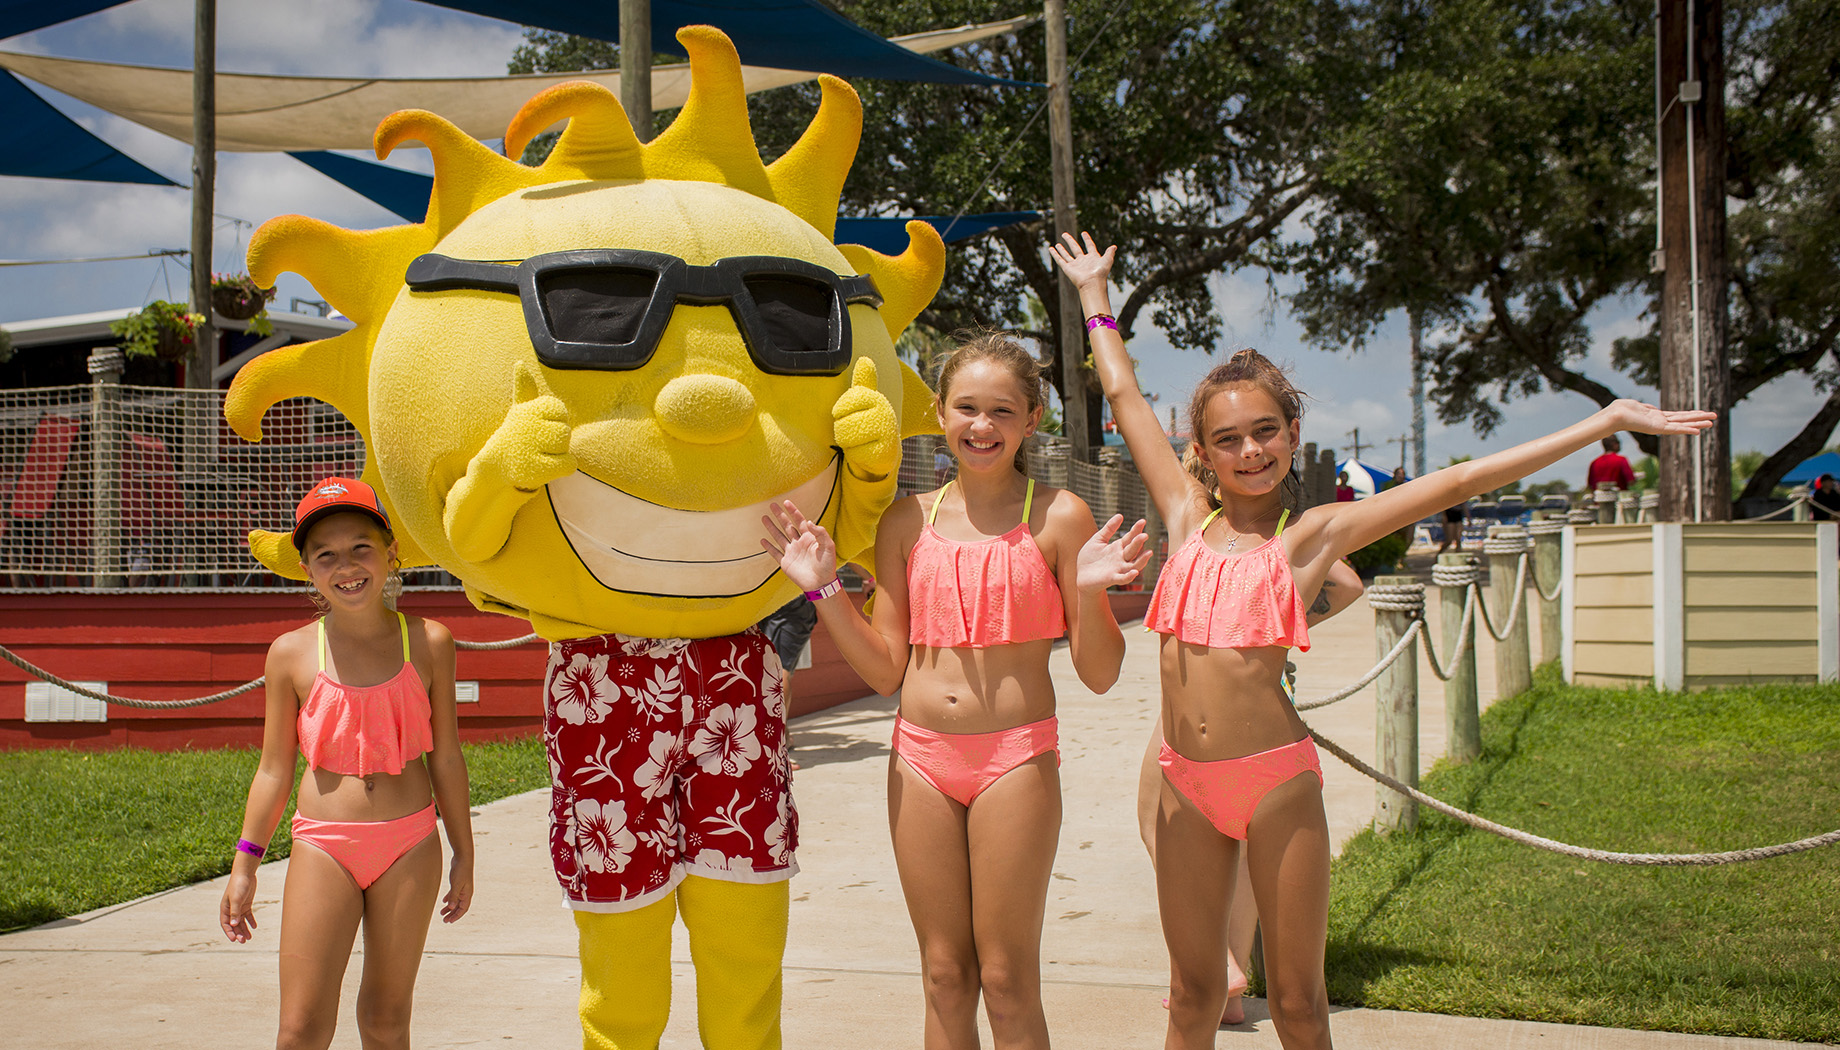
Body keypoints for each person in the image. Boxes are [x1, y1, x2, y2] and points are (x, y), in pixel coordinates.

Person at [1052, 231, 1713, 1050]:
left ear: (1293, 433)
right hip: (1184, 786)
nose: (1249, 451)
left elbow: (1465, 480)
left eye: (1266, 431)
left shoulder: (1316, 536)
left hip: (1275, 785)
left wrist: (1603, 421)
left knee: (1297, 1003)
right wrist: (1094, 298)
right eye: (1228, 439)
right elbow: (1121, 395)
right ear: (1203, 452)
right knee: (1190, 997)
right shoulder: (1185, 517)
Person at [762, 331, 1149, 1049]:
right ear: (939, 412)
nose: (982, 425)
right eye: (967, 408)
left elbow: (1099, 674)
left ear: (1033, 419)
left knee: (1005, 979)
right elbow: (884, 672)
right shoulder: (906, 523)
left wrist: (1091, 596)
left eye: (1002, 411)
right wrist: (823, 591)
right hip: (920, 760)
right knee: (944, 974)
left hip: (1015, 759)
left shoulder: (1060, 516)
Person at [221, 477, 473, 1049]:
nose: (347, 565)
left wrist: (464, 852)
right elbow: (272, 770)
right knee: (301, 1027)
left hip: (410, 843)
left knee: (386, 1020)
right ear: (308, 570)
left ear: (390, 552)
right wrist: (245, 865)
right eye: (325, 555)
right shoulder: (289, 653)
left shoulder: (431, 641)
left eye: (361, 546)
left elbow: (448, 756)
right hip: (324, 844)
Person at [1137, 554, 1363, 1027]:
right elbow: (1346, 586)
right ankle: (1229, 982)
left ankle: (1220, 961)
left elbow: (1346, 582)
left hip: (1211, 694)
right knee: (1238, 847)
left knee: (1158, 822)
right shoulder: (1256, 543)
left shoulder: (1249, 534)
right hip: (1251, 686)